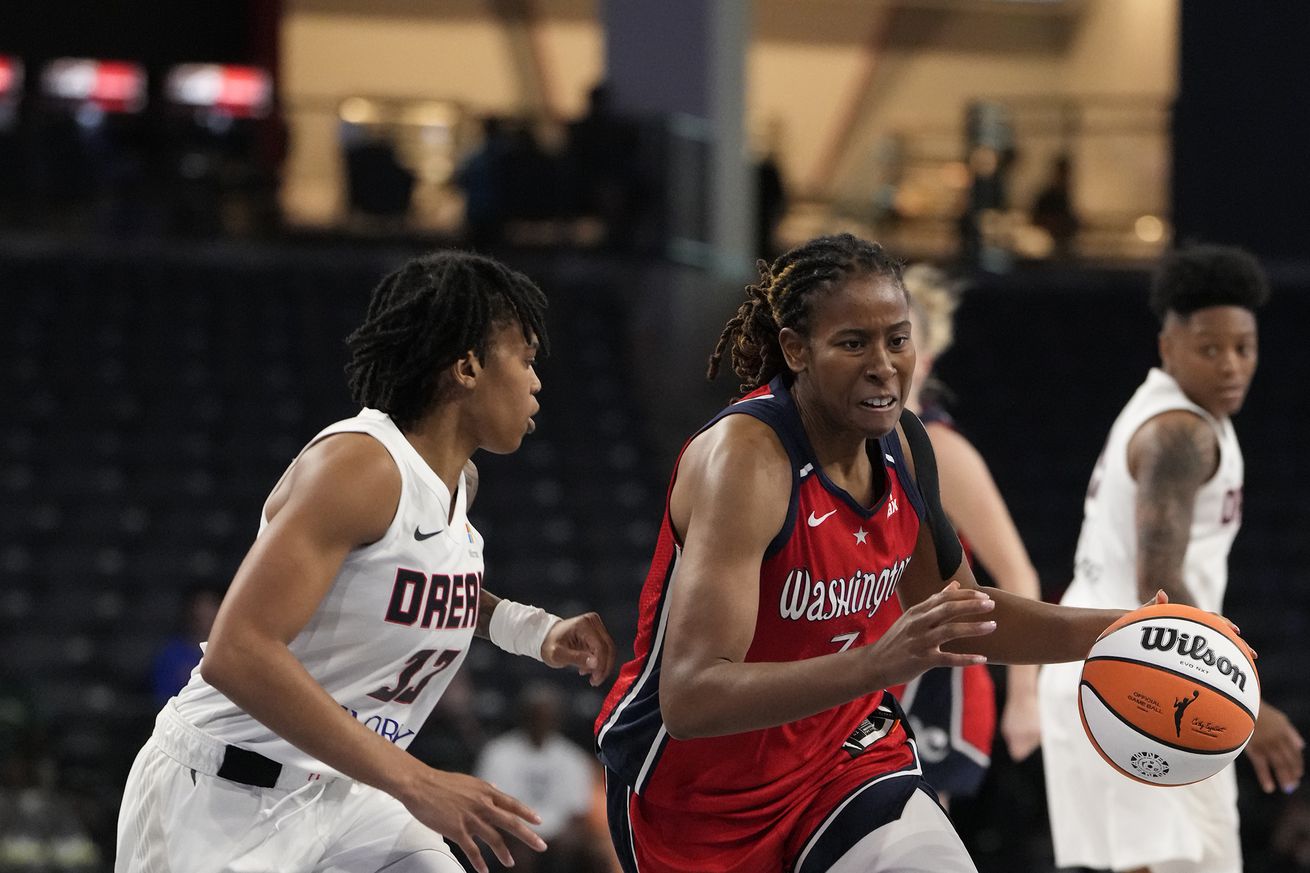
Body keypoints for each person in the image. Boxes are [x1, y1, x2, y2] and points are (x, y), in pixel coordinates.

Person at [594, 232, 1157, 873]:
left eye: (898, 339)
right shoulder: (747, 463)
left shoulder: (906, 446)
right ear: (795, 350)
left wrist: (1126, 633)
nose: (884, 365)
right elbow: (691, 698)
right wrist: (876, 663)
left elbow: (964, 615)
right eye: (853, 343)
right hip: (696, 797)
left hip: (842, 758)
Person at [116, 250, 617, 873]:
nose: (537, 380)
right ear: (467, 366)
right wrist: (416, 780)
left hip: (348, 794)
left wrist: (533, 629)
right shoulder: (360, 465)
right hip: (225, 795)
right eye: (526, 358)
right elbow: (236, 652)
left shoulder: (459, 481)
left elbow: (416, 586)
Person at [1038, 244, 1305, 873]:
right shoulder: (1179, 434)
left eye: (1244, 347)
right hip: (1139, 675)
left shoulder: (1176, 413)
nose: (1232, 365)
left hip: (1113, 665)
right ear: (1168, 348)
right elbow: (1156, 584)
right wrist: (1246, 703)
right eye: (1210, 349)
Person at [888, 265, 1042, 807]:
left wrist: (1025, 697)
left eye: (901, 342)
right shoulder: (842, 444)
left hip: (936, 680)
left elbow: (1018, 574)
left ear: (925, 362)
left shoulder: (944, 452)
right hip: (871, 665)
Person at [474, 682, 596, 872]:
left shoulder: (574, 758)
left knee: (590, 851)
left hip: (559, 839)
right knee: (513, 853)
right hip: (513, 835)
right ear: (524, 716)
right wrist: (519, 837)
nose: (541, 721)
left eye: (547, 716)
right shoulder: (498, 752)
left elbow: (578, 814)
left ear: (557, 719)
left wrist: (562, 839)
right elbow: (488, 806)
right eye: (535, 716)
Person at [149, 585, 223, 707]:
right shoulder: (171, 653)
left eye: (210, 605)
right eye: (198, 606)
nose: (204, 612)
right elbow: (162, 698)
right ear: (189, 611)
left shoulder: (231, 653)